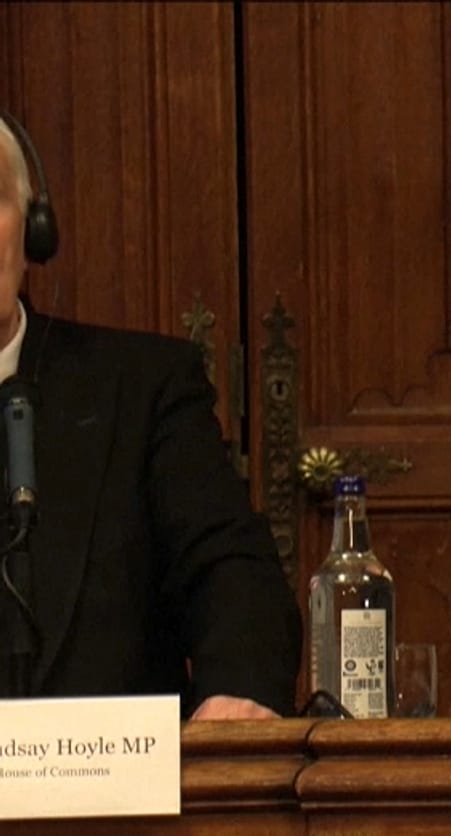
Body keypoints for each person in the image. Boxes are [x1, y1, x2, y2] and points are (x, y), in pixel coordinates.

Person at [0, 113, 300, 718]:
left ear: (33, 233)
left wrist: (236, 691)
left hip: (118, 803)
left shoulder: (141, 388)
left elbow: (232, 571)